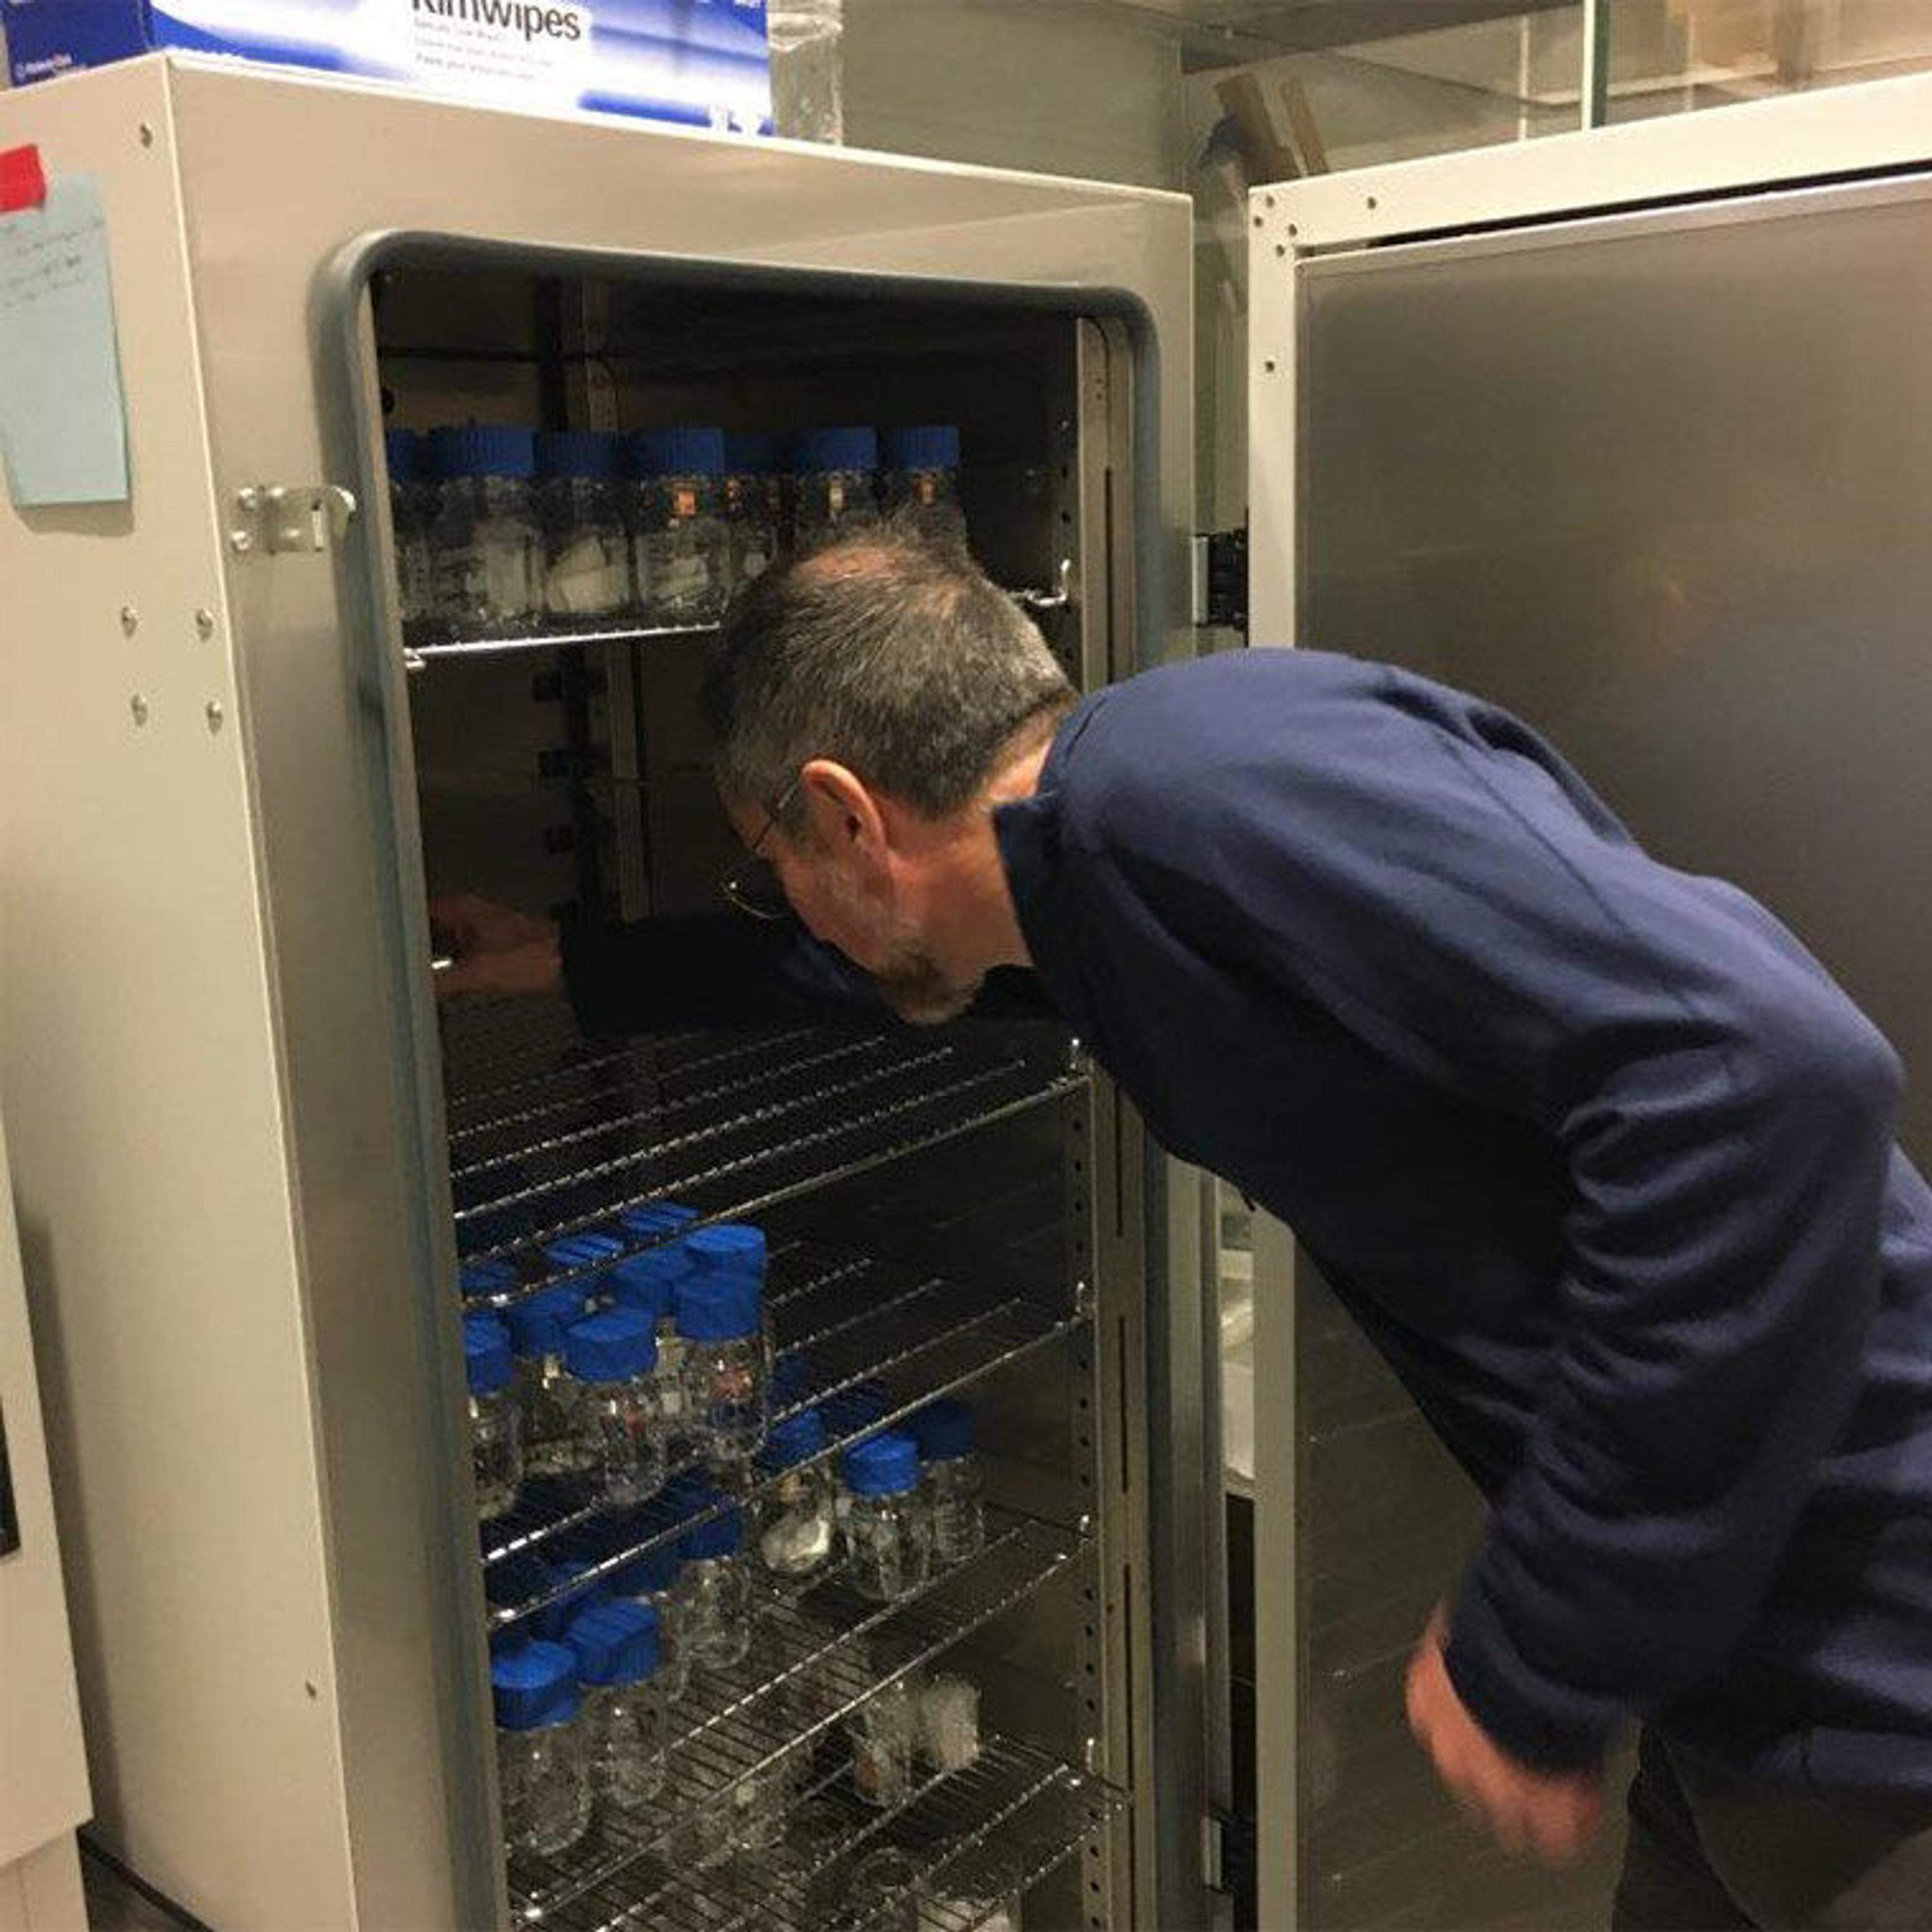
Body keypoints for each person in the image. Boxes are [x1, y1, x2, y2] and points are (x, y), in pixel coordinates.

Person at [435, 533, 1932, 1927]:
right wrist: (579, 965)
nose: (785, 906)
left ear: (844, 812)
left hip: (1883, 1646)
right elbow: (868, 960)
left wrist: (1550, 1633)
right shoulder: (1092, 869)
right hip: (1738, 1642)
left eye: (771, 868)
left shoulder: (1209, 795)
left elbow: (1772, 1079)